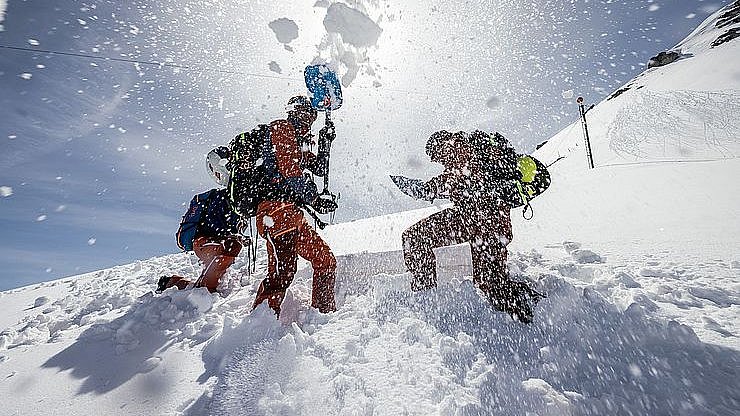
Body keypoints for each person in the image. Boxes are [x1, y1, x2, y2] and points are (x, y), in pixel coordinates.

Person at [401, 130, 542, 323]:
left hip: (485, 222)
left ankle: (532, 314)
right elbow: (455, 180)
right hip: (473, 220)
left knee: (490, 286)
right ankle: (425, 295)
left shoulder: (460, 146)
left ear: (441, 144)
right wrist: (428, 189)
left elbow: (458, 176)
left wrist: (428, 189)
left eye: (435, 155)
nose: (438, 161)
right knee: (415, 237)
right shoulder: (464, 158)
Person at [246, 96, 338, 317]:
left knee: (325, 259)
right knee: (283, 273)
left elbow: (318, 168)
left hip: (293, 214)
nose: (310, 121)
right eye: (307, 114)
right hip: (275, 211)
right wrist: (314, 199)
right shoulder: (282, 129)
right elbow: (290, 171)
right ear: (295, 112)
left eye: (313, 117)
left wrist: (325, 144)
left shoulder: (302, 139)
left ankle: (323, 313)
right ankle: (259, 323)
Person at [158, 187, 244, 293]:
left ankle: (172, 282)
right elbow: (216, 225)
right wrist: (232, 236)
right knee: (206, 287)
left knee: (209, 279)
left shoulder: (225, 200)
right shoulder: (223, 198)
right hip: (205, 242)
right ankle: (202, 291)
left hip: (205, 243)